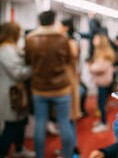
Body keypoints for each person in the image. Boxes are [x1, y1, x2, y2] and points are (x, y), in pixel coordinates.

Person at [25, 10, 74, 158]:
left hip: (39, 88)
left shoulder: (30, 38)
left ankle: (39, 155)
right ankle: (67, 155)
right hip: (61, 88)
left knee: (40, 124)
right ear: (54, 22)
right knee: (64, 123)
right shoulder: (62, 38)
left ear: (39, 22)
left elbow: (27, 61)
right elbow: (68, 60)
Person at [0, 22, 35, 158]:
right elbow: (18, 73)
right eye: (19, 31)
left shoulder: (12, 48)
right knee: (10, 126)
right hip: (11, 94)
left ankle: (19, 149)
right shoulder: (5, 50)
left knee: (21, 123)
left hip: (17, 93)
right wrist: (35, 67)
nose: (21, 34)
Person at [59, 18, 82, 155]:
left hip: (68, 84)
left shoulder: (69, 42)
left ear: (66, 27)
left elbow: (72, 55)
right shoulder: (70, 42)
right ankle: (70, 148)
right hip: (70, 82)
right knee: (69, 119)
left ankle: (70, 150)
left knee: (67, 119)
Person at [89, 34, 115, 133]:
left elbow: (100, 67)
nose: (94, 40)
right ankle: (101, 121)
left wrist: (91, 67)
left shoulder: (104, 54)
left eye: (96, 38)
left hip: (104, 82)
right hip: (101, 81)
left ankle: (104, 123)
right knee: (100, 102)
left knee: (102, 104)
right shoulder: (100, 52)